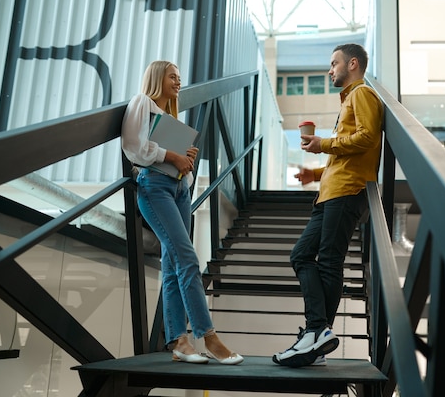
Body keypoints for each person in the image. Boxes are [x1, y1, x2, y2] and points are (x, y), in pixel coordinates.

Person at [121, 60, 243, 365]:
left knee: (174, 264)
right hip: (155, 189)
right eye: (173, 76)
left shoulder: (170, 118)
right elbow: (133, 146)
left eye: (179, 77)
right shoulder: (142, 103)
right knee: (187, 257)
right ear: (157, 77)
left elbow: (177, 165)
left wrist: (185, 162)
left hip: (179, 189)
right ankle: (209, 337)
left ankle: (180, 342)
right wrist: (172, 155)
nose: (178, 81)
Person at [273, 44, 384, 367]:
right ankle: (318, 332)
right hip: (332, 190)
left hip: (346, 192)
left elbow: (367, 139)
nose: (329, 69)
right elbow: (347, 156)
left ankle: (316, 332)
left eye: (334, 63)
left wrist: (323, 144)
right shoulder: (349, 99)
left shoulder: (362, 94)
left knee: (328, 260)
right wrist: (315, 172)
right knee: (302, 255)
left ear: (353, 64)